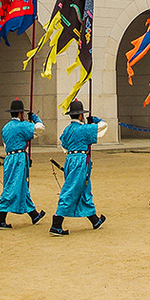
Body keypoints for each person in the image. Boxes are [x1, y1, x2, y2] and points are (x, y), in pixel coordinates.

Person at [50, 99, 107, 235]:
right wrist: (96, 120)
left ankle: (94, 219)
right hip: (80, 160)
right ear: (81, 116)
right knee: (71, 189)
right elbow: (104, 126)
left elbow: (63, 144)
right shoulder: (84, 129)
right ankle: (56, 223)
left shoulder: (67, 129)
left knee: (83, 188)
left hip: (70, 159)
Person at [0, 99, 46, 229]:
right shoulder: (22, 126)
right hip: (18, 158)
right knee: (12, 187)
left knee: (22, 186)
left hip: (9, 157)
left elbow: (5, 145)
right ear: (20, 113)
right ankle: (0, 219)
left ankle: (34, 214)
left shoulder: (5, 127)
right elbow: (40, 128)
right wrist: (35, 118)